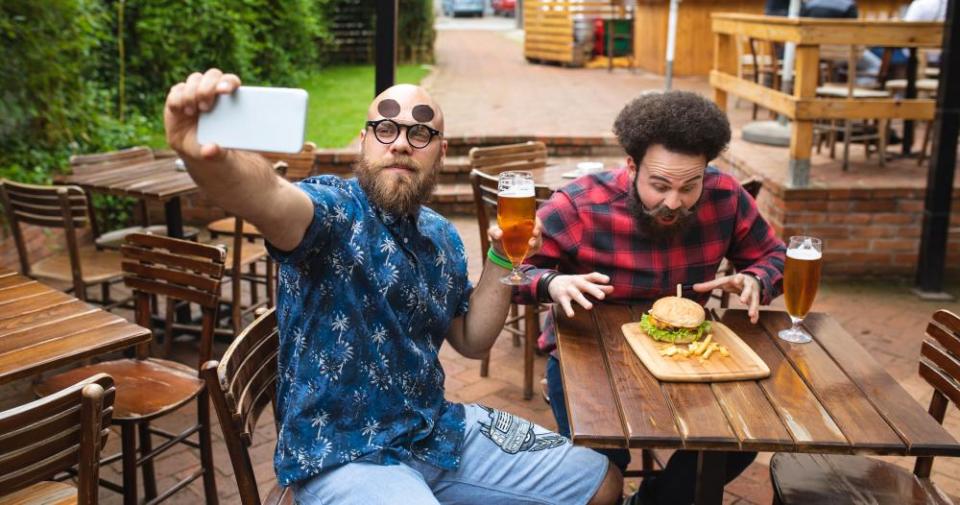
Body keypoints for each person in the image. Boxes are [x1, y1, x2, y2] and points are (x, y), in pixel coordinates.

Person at [163, 69, 623, 504]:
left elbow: (472, 339)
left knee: (601, 481)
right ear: (364, 142)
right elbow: (269, 198)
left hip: (434, 432)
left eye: (420, 133)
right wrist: (205, 154)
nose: (401, 143)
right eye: (385, 128)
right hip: (341, 453)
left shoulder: (442, 237)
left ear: (440, 152)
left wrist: (503, 257)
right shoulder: (334, 213)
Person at [513, 91, 786, 505]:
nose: (673, 202)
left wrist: (757, 278)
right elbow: (514, 274)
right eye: (659, 185)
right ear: (631, 166)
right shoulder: (580, 204)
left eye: (690, 186)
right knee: (599, 472)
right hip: (590, 358)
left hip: (689, 359)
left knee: (743, 436)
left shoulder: (726, 197)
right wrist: (551, 284)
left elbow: (775, 255)